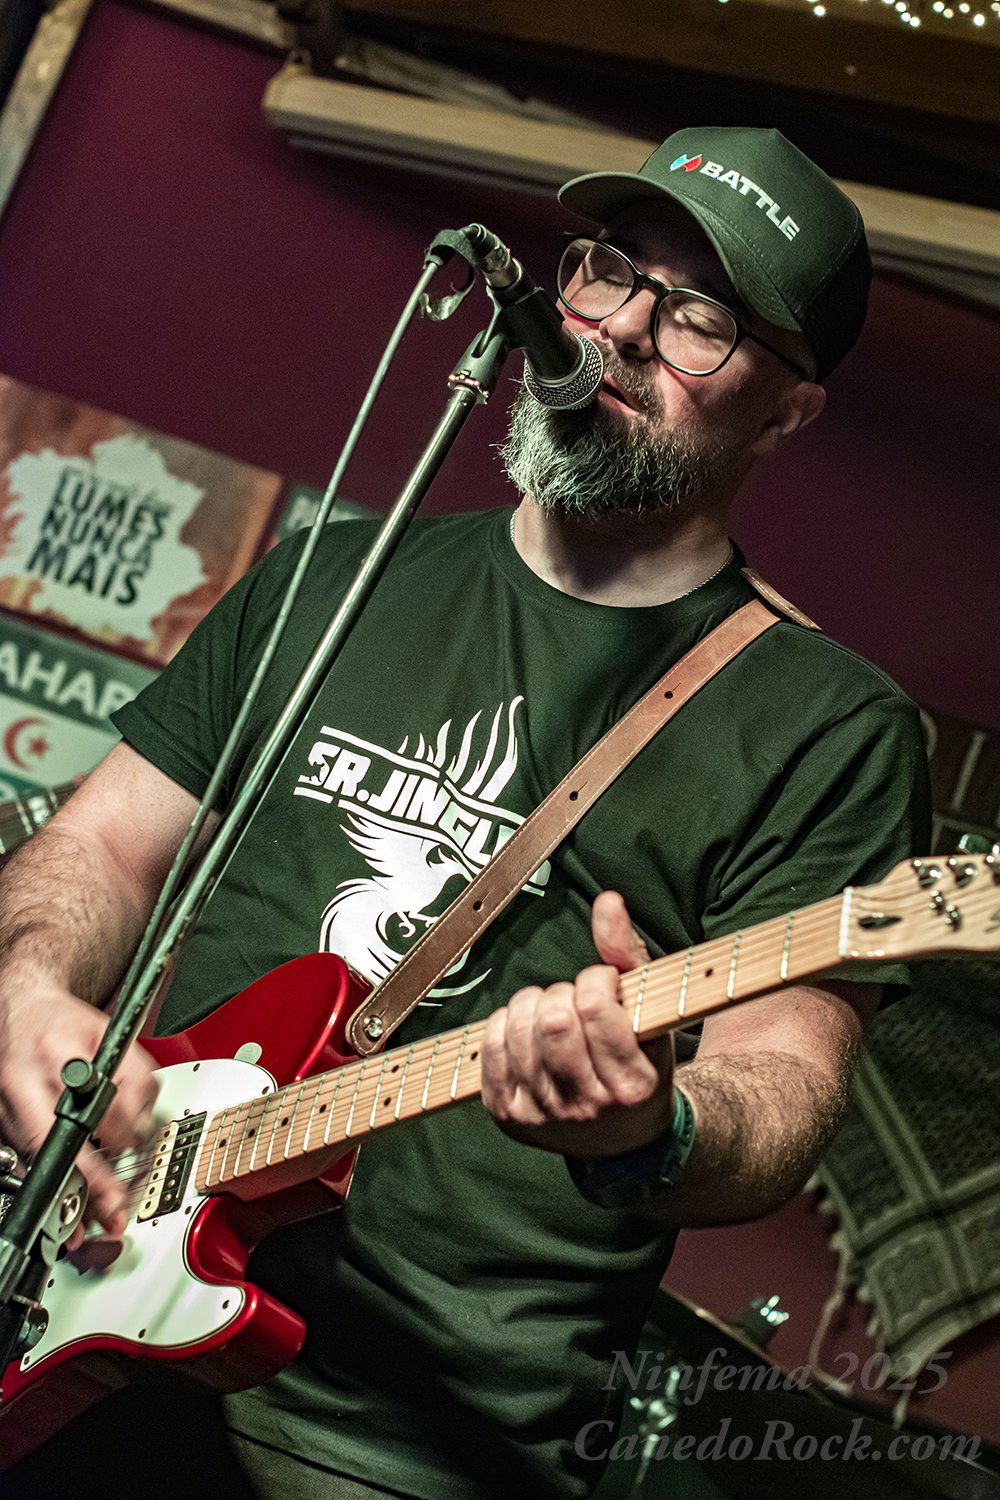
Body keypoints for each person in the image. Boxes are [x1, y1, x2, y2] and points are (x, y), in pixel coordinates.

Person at [0, 126, 929, 1498]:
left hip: (404, 1441)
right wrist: (27, 994)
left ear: (789, 411)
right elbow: (99, 847)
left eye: (702, 319)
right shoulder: (333, 577)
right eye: (611, 271)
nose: (624, 329)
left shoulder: (826, 724)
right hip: (90, 1290)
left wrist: (653, 1127)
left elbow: (785, 1077)